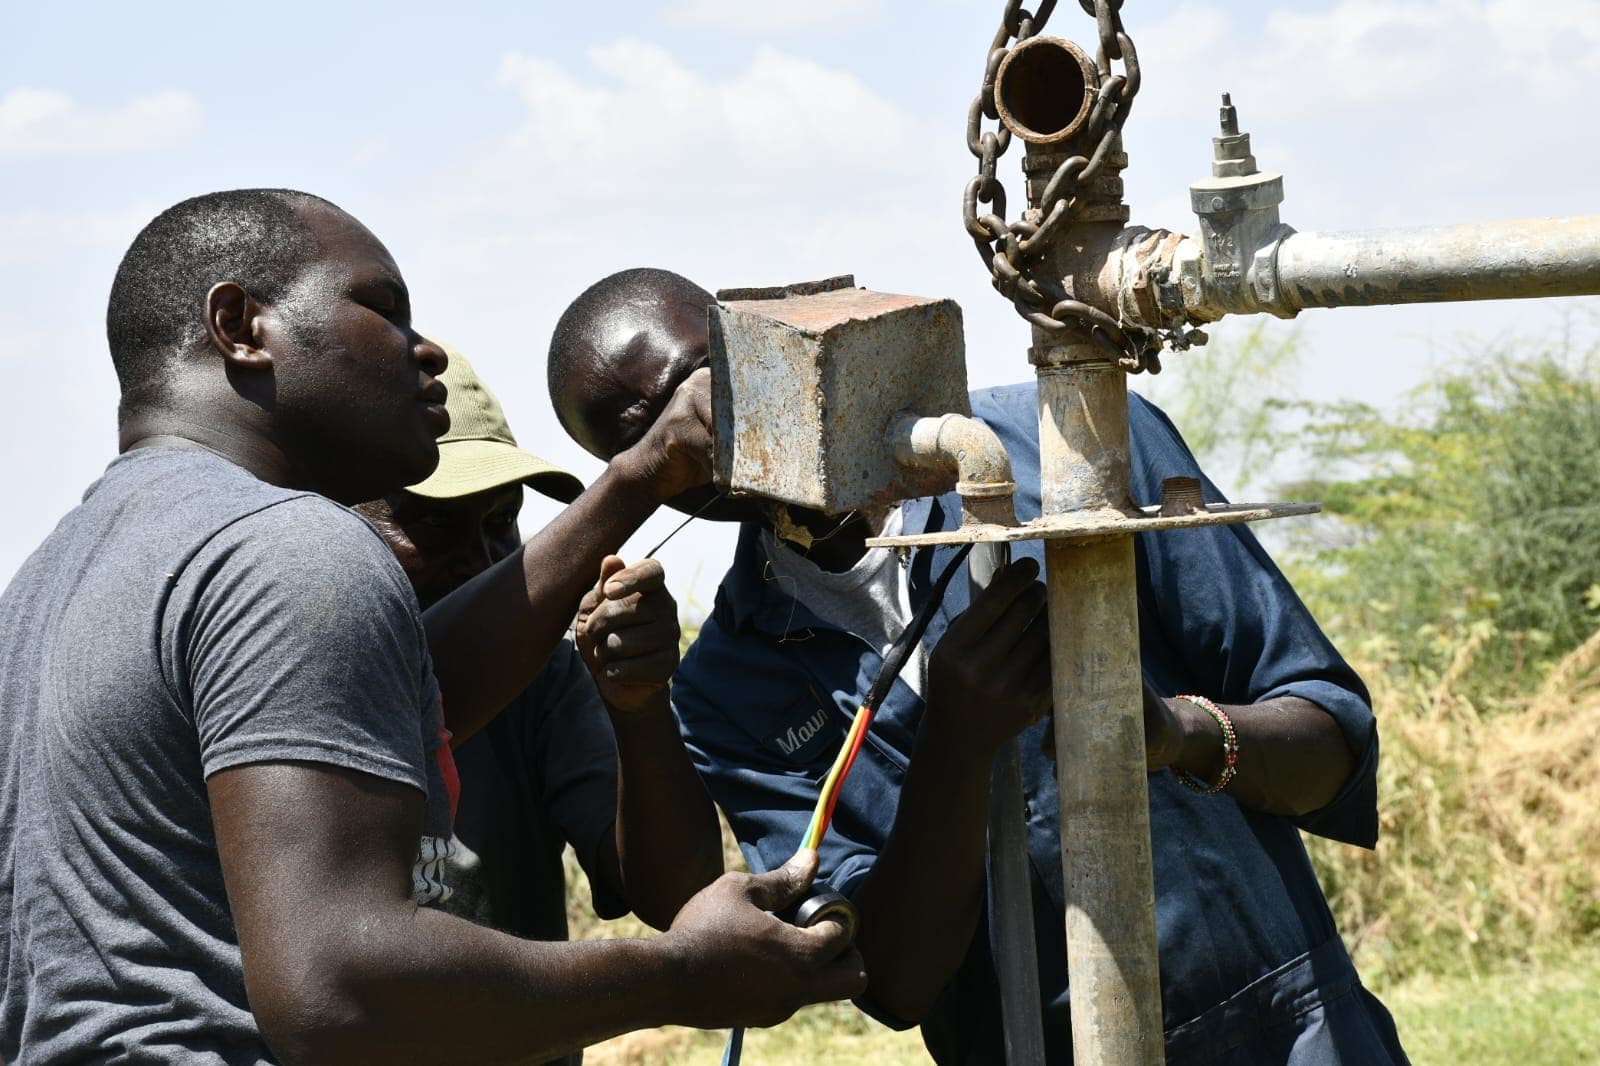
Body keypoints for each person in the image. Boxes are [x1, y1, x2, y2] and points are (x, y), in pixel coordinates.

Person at [0, 193, 864, 1065]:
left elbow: (420, 694)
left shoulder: (49, 585)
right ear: (240, 326)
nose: (427, 349)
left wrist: (639, 479)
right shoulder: (288, 549)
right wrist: (682, 974)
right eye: (381, 307)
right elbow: (339, 992)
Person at [548, 267, 1412, 1065]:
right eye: (649, 436)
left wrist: (1172, 733)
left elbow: (1331, 736)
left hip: (1299, 1030)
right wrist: (957, 742)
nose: (695, 429)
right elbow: (892, 981)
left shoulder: (1070, 446)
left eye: (703, 384)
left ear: (749, 348)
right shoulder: (725, 691)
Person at [352, 346, 723, 951]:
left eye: (501, 522)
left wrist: (640, 709)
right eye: (436, 523)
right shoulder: (283, 666)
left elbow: (676, 898)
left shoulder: (541, 675)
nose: (480, 563)